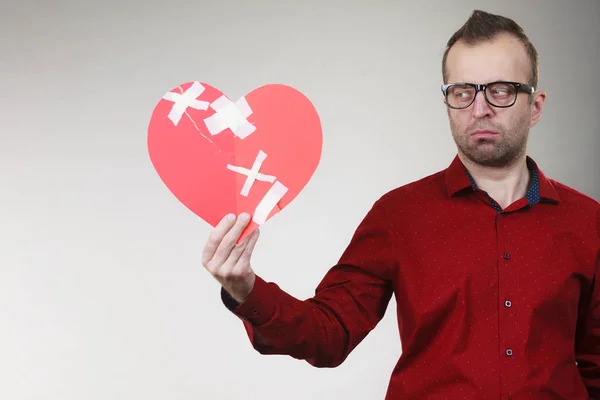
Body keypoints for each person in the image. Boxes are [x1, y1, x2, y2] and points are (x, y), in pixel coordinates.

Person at [201, 9, 600, 400]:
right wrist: (245, 289)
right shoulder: (399, 215)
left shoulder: (589, 221)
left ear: (536, 106)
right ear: (448, 103)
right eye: (463, 92)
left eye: (500, 90)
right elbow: (329, 334)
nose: (480, 108)